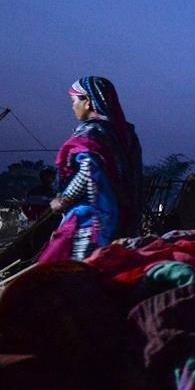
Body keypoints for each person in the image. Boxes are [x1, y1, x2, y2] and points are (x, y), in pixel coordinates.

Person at [38, 77, 143, 263]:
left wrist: (63, 200)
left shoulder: (91, 133)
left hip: (91, 219)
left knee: (77, 271)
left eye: (75, 101)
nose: (73, 107)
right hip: (123, 219)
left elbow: (88, 170)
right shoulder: (124, 135)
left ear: (87, 101)